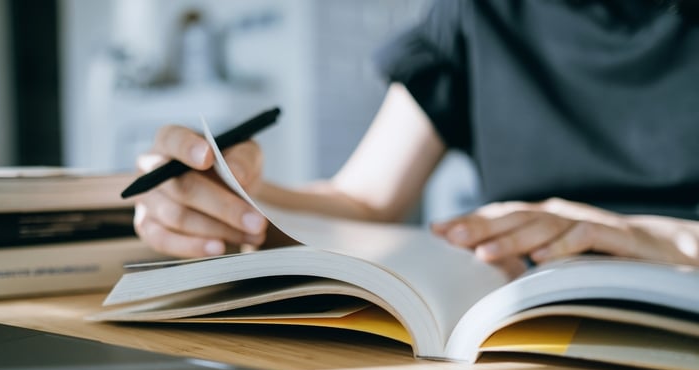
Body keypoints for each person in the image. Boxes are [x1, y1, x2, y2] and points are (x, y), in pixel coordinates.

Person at [131, 0, 699, 277]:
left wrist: (667, 241)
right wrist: (222, 194)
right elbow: (366, 201)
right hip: (533, 339)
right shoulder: (482, 14)